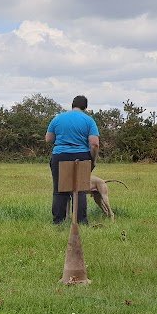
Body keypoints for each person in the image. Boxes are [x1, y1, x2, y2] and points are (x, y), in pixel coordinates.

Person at [45, 95, 100, 225]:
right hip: (81, 156)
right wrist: (93, 159)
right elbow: (94, 144)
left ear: (72, 105)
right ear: (85, 107)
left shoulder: (58, 118)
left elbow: (48, 139)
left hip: (60, 156)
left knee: (59, 190)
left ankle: (58, 221)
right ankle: (81, 221)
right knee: (80, 189)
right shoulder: (89, 120)